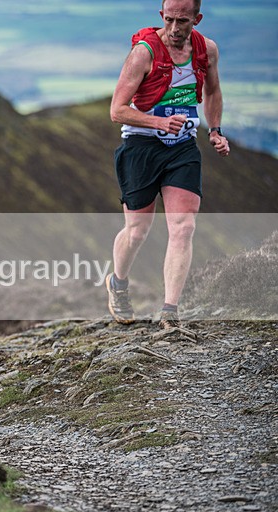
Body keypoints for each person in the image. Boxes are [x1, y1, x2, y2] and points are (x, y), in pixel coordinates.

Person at [106, 0, 230, 329]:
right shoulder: (144, 53)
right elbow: (117, 110)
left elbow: (213, 91)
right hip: (141, 146)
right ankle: (118, 284)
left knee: (183, 227)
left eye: (183, 21)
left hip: (182, 148)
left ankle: (170, 312)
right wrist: (158, 123)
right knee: (137, 231)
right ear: (162, 16)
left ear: (197, 19)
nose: (175, 29)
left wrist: (215, 130)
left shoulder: (207, 50)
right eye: (169, 19)